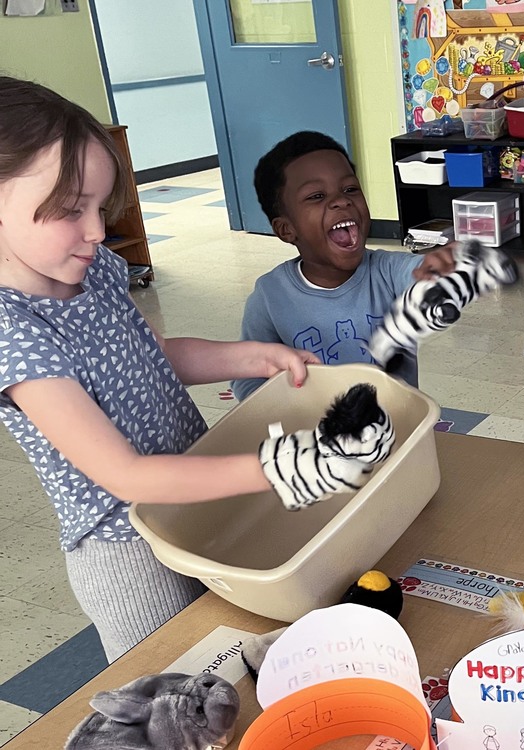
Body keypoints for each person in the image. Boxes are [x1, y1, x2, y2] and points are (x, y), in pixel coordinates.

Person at [0, 77, 349, 661]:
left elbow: (149, 356)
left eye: (100, 206)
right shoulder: (13, 331)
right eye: (69, 210)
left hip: (198, 493)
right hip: (129, 546)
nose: (96, 230)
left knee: (235, 650)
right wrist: (283, 469)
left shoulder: (94, 269)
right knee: (169, 687)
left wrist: (250, 356)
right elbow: (128, 477)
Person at [233, 131, 454, 399]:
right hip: (314, 431)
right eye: (316, 196)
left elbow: (421, 276)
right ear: (286, 229)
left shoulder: (386, 271)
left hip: (398, 426)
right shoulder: (270, 296)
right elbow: (248, 378)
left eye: (350, 189)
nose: (342, 200)